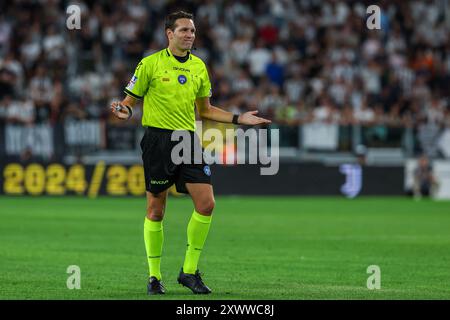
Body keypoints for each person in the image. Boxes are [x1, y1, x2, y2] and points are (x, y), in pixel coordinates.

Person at [110, 11, 270, 295]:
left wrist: (238, 119)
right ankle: (154, 276)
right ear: (169, 34)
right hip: (158, 142)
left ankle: (188, 271)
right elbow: (129, 101)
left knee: (207, 204)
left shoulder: (199, 67)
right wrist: (124, 111)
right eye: (184, 30)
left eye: (193, 31)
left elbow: (205, 111)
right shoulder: (150, 64)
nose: (190, 35)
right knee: (156, 211)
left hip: (187, 141)